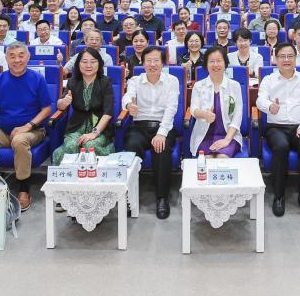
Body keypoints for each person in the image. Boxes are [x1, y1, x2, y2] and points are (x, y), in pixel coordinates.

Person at [0, 43, 54, 209]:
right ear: (6, 59)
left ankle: (24, 189)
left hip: (33, 130)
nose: (17, 60)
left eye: (21, 56)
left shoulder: (37, 79)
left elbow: (47, 109)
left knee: (19, 141)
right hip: (2, 130)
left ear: (28, 57)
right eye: (12, 56)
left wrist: (28, 126)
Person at [255, 42, 300, 216]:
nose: (286, 60)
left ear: (296, 58)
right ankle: (279, 195)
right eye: (282, 56)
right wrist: (270, 106)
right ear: (275, 59)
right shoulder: (269, 80)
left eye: (290, 56)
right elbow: (260, 100)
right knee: (281, 146)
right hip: (276, 127)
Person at [120, 46, 181, 219]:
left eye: (156, 61)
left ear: (163, 63)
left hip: (164, 125)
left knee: (161, 148)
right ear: (143, 62)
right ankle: (129, 196)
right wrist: (128, 105)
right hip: (139, 126)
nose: (152, 64)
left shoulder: (172, 81)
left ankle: (162, 198)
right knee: (131, 146)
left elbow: (171, 109)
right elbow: (127, 96)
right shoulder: (135, 80)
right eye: (149, 61)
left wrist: (161, 133)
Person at [51, 46, 115, 168]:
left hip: (99, 128)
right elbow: (60, 105)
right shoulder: (72, 82)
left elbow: (108, 112)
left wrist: (95, 133)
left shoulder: (105, 82)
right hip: (76, 127)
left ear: (99, 64)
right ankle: (68, 178)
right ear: (78, 64)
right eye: (84, 62)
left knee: (89, 146)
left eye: (93, 62)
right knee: (71, 146)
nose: (88, 65)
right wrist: (64, 102)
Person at [188, 47, 245, 160]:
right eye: (212, 61)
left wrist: (227, 140)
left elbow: (237, 117)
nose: (215, 65)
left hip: (229, 135)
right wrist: (204, 114)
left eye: (219, 61)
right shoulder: (199, 86)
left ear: (225, 63)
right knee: (207, 160)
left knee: (222, 158)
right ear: (206, 64)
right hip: (204, 135)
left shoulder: (234, 86)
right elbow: (193, 109)